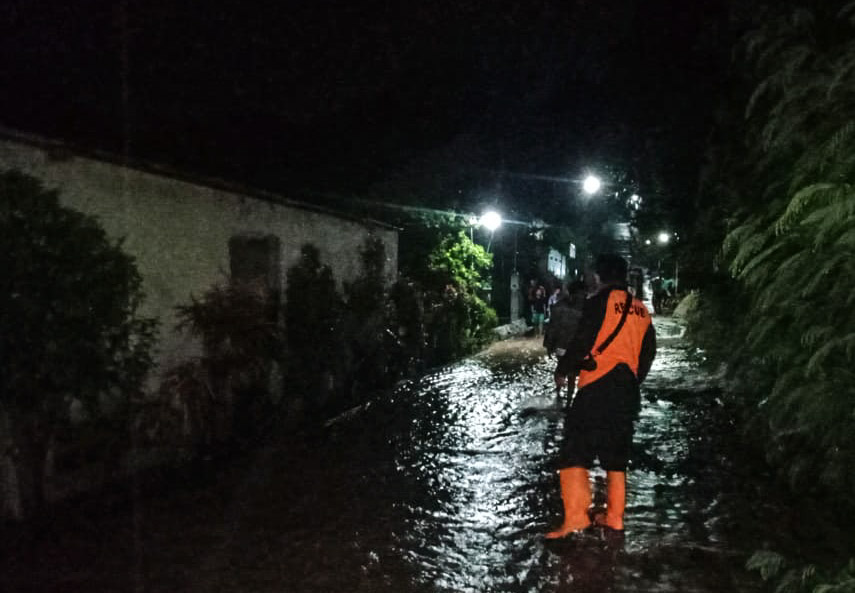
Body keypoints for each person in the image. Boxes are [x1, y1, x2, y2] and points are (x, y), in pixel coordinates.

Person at [546, 254, 656, 538]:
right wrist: (632, 378)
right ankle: (615, 518)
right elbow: (648, 353)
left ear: (599, 276)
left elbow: (583, 340)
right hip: (627, 391)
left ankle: (575, 518)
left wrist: (563, 368)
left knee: (574, 449)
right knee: (617, 455)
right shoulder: (642, 310)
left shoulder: (598, 303)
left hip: (596, 386)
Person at [543, 282, 585, 358]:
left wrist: (549, 347)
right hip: (581, 348)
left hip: (561, 347)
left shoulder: (559, 306)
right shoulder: (588, 306)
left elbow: (552, 328)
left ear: (568, 291)